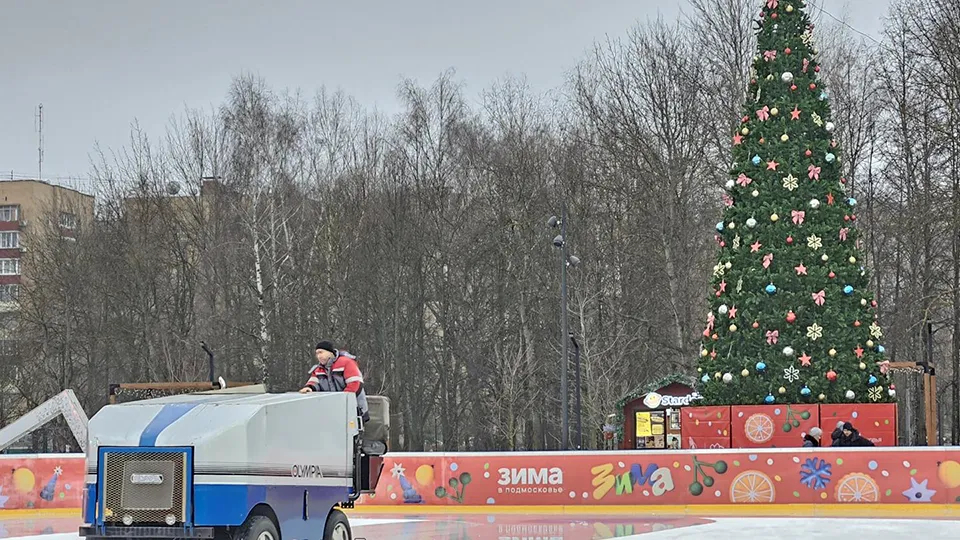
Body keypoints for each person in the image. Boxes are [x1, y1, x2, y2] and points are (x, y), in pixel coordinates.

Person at [300, 340, 370, 421]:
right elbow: (314, 382)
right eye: (317, 354)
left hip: (354, 410)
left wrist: (341, 402)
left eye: (321, 352)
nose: (318, 356)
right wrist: (309, 387)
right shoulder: (318, 369)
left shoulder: (346, 362)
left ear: (330, 352)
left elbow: (355, 384)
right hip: (333, 412)